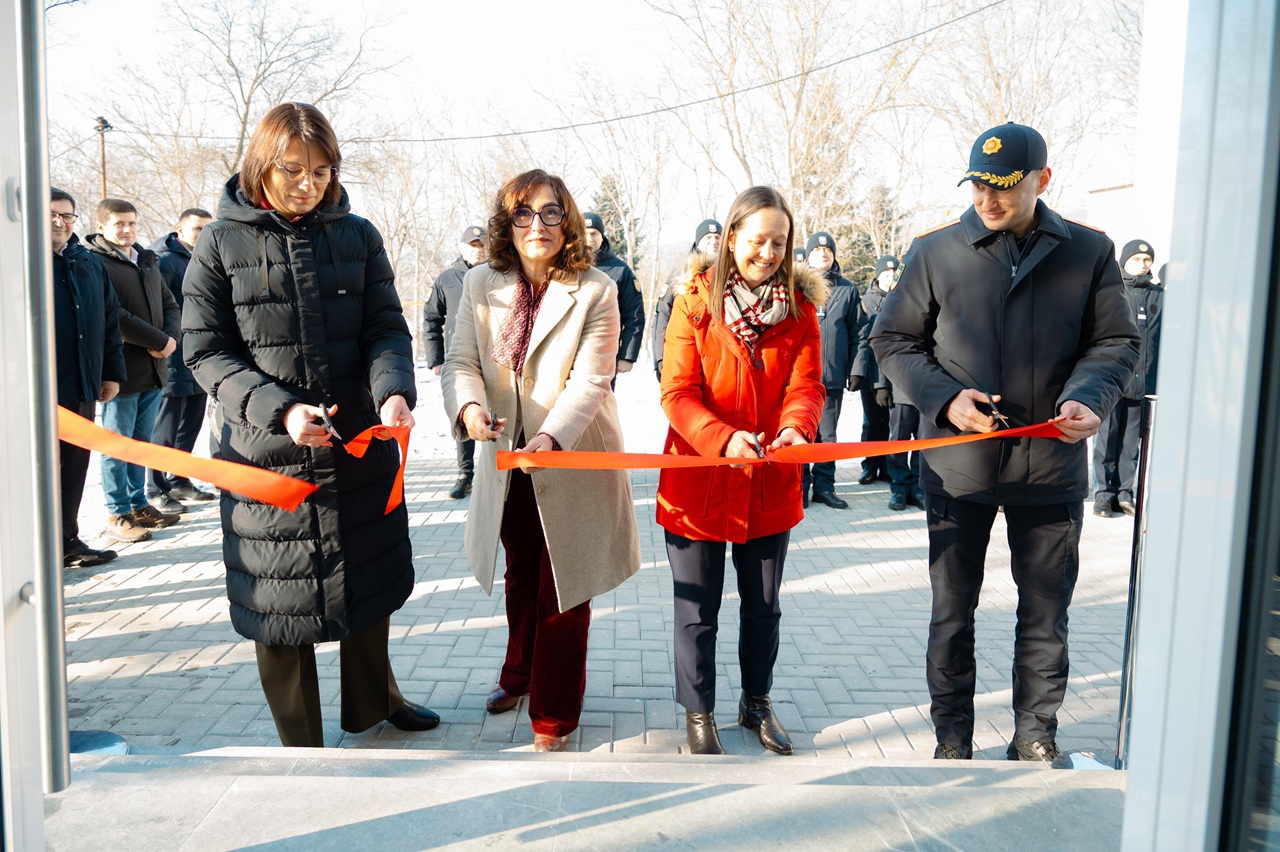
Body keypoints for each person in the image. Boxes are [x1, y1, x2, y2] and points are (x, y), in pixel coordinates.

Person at [871, 123, 1138, 762]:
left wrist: (1088, 395)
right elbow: (892, 341)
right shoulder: (936, 251)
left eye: (1004, 186)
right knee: (952, 612)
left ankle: (1035, 735)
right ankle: (951, 740)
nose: (987, 200)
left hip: (1050, 466)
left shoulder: (1088, 251)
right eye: (978, 185)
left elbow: (1118, 342)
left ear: (1042, 180)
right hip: (957, 468)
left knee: (1046, 613)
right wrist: (944, 399)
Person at [182, 102, 439, 747]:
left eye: (322, 171)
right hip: (267, 457)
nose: (309, 184)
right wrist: (281, 410)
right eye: (293, 170)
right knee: (279, 605)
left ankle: (375, 701)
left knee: (368, 584)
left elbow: (385, 327)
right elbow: (204, 352)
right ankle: (301, 740)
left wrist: (391, 393)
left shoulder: (357, 236)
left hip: (355, 446)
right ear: (261, 165)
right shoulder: (220, 243)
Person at [441, 169, 641, 753]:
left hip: (570, 453)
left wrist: (551, 439)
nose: (538, 225)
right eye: (524, 213)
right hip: (505, 457)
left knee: (564, 584)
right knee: (521, 573)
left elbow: (591, 380)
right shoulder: (482, 283)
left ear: (567, 220)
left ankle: (555, 710)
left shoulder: (596, 288)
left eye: (551, 213)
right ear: (507, 223)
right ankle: (519, 673)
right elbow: (460, 362)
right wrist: (471, 409)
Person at [657, 186, 825, 756]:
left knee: (763, 606)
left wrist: (795, 429)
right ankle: (698, 711)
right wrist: (724, 439)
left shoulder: (800, 312)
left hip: (768, 481)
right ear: (732, 239)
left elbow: (806, 386)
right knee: (696, 609)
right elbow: (677, 393)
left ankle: (757, 702)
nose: (769, 253)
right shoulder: (695, 303)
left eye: (779, 242)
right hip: (699, 478)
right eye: (757, 240)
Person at [86, 198, 182, 543]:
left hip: (154, 367)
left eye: (131, 223)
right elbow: (113, 316)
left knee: (141, 443)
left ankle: (139, 504)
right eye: (118, 224)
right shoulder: (95, 263)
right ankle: (118, 512)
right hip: (120, 370)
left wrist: (170, 338)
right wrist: (157, 338)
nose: (127, 230)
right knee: (117, 445)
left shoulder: (145, 259)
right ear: (102, 227)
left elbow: (169, 302)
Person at [51, 187, 126, 567]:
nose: (59, 222)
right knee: (38, 471)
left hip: (81, 386)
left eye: (66, 215)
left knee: (74, 467)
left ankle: (68, 540)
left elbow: (109, 320)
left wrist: (111, 372)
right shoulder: (20, 260)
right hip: (36, 394)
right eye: (51, 215)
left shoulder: (87, 262)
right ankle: (34, 547)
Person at [146, 207, 216, 513]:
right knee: (166, 424)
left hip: (200, 354)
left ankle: (179, 479)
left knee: (191, 422)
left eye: (207, 229)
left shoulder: (205, 257)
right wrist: (162, 341)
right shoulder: (165, 260)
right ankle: (155, 486)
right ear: (180, 230)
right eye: (198, 229)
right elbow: (156, 305)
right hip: (173, 354)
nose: (203, 234)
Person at [1092, 239, 1164, 517]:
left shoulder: (1160, 296)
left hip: (1144, 383)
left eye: (1147, 261)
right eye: (1136, 260)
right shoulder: (1113, 292)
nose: (1143, 265)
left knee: (1131, 443)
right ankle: (1102, 494)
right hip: (1113, 382)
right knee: (1106, 441)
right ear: (1124, 263)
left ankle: (1124, 493)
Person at [800, 231, 867, 510]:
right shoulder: (795, 286)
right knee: (801, 434)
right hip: (800, 380)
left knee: (827, 437)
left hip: (832, 378)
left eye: (828, 251)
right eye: (817, 250)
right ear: (808, 255)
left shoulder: (847, 290)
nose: (823, 254)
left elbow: (860, 333)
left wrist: (856, 369)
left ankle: (824, 487)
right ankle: (799, 487)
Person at [423, 225, 488, 500]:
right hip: (462, 361)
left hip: (497, 360)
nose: (479, 249)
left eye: (483, 244)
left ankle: (504, 474)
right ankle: (465, 475)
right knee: (465, 414)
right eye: (473, 245)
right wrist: (436, 358)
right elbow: (431, 320)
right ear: (462, 248)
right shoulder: (447, 279)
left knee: (499, 416)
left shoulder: (499, 275)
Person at [863, 260, 925, 511]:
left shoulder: (926, 303)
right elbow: (885, 349)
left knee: (922, 442)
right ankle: (899, 488)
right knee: (898, 440)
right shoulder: (891, 306)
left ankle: (919, 488)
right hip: (900, 388)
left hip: (925, 390)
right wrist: (882, 386)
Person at [652, 218, 720, 379]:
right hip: (683, 352)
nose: (714, 241)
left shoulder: (733, 272)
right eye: (708, 237)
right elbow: (662, 314)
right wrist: (660, 358)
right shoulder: (681, 273)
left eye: (718, 237)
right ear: (698, 242)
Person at [582, 211, 645, 382]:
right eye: (584, 233)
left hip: (605, 355)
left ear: (602, 237)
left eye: (594, 233)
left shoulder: (620, 271)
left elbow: (634, 316)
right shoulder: (565, 267)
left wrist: (627, 355)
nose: (589, 238)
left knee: (601, 407)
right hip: (568, 353)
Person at [854, 255, 899, 485]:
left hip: (894, 377)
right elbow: (864, 341)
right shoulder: (865, 301)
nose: (890, 278)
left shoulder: (902, 298)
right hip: (872, 375)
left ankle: (888, 466)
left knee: (892, 424)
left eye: (894, 274)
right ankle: (870, 465)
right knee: (872, 423)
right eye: (886, 274)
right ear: (878, 276)